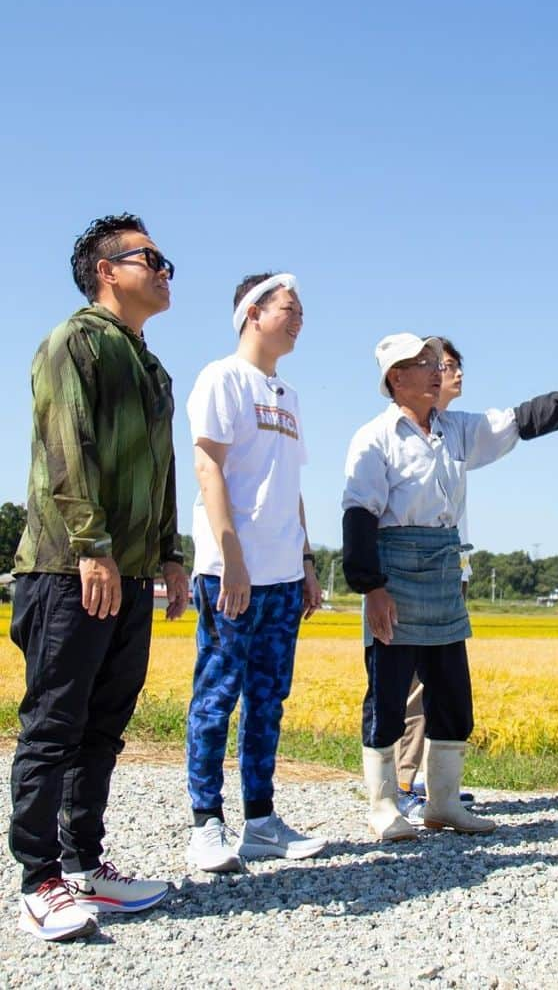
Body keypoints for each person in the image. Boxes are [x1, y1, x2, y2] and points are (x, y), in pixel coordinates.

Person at [343, 334, 558, 841]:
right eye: (422, 364)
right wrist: (371, 588)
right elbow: (359, 514)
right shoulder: (375, 437)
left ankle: (444, 804)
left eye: (437, 362)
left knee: (452, 692)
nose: (435, 371)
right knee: (387, 691)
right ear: (395, 378)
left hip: (443, 569)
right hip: (394, 569)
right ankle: (384, 804)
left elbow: (519, 421)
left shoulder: (455, 429)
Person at [9, 214, 187, 941]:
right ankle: (37, 879)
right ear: (107, 270)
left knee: (104, 724)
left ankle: (85, 864)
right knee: (54, 724)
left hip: (132, 570)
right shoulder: (74, 342)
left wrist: (170, 556)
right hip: (69, 566)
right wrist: (93, 545)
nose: (166, 269)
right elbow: (65, 448)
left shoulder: (152, 367)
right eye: (152, 257)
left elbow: (163, 471)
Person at [184, 273, 326, 872]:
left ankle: (261, 821)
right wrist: (232, 556)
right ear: (251, 312)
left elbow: (290, 485)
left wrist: (307, 562)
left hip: (281, 577)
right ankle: (205, 823)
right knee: (217, 697)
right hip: (230, 573)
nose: (298, 319)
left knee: (268, 699)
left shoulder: (288, 395)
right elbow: (207, 466)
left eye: (300, 311)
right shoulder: (221, 377)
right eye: (288, 309)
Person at [395, 339, 475, 824]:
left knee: (436, 685)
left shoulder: (454, 433)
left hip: (451, 569)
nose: (456, 373)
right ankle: (400, 782)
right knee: (405, 683)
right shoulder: (402, 433)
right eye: (446, 366)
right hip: (409, 573)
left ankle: (428, 785)